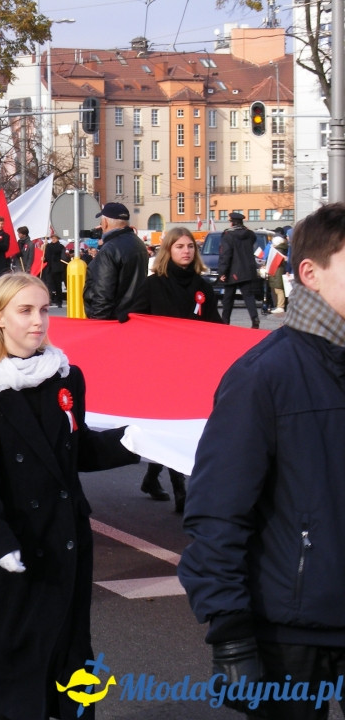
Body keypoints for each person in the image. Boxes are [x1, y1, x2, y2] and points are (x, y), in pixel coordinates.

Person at [178, 202, 345, 720]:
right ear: (310, 273)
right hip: (288, 633)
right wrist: (230, 634)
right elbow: (217, 512)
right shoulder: (263, 375)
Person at [0, 272, 139, 720]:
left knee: (72, 648)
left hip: (65, 537)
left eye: (44, 309)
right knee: (16, 649)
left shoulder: (67, 379)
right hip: (13, 545)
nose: (39, 320)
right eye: (25, 311)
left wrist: (135, 441)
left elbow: (77, 450)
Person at [127, 227, 221, 512]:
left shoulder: (203, 286)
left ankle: (151, 478)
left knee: (183, 426)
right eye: (180, 246)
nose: (186, 251)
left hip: (194, 366)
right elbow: (134, 316)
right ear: (168, 250)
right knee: (168, 426)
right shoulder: (154, 284)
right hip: (162, 367)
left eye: (190, 246)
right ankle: (180, 491)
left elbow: (216, 325)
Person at [82, 202, 148, 320]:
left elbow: (103, 294)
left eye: (101, 222)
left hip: (114, 320)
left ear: (105, 222)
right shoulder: (139, 244)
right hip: (134, 317)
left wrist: (97, 324)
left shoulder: (109, 249)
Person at [218, 211, 261, 329]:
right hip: (247, 270)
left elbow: (226, 255)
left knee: (228, 298)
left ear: (232, 223)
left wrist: (222, 272)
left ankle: (225, 321)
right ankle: (255, 318)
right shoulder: (250, 234)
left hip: (232, 271)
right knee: (249, 296)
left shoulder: (228, 235)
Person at [267, 227, 289, 314]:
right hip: (277, 272)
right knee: (277, 289)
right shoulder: (280, 249)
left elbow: (278, 261)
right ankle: (279, 306)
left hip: (278, 272)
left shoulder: (278, 250)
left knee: (278, 289)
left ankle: (280, 306)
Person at [41, 234, 67, 308]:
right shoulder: (48, 246)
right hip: (50, 268)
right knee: (49, 285)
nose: (53, 239)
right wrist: (44, 259)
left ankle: (59, 301)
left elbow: (63, 257)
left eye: (55, 238)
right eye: (52, 238)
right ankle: (49, 300)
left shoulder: (61, 247)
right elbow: (46, 257)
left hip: (57, 268)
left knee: (58, 285)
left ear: (57, 239)